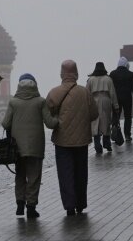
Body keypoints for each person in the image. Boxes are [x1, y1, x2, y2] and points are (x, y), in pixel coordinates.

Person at [2, 73, 58, 219]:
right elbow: (50, 123)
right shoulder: (40, 101)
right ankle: (31, 207)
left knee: (20, 174)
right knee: (34, 176)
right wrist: (59, 119)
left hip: (17, 147)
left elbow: (5, 124)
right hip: (35, 146)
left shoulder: (13, 102)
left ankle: (20, 204)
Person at [46, 60, 98, 216]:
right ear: (76, 73)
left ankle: (69, 205)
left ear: (62, 73)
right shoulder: (85, 92)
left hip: (62, 142)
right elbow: (94, 114)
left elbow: (47, 117)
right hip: (82, 140)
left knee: (65, 174)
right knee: (81, 173)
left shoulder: (54, 93)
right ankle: (81, 204)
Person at [86, 62, 119, 154]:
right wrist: (116, 106)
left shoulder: (90, 80)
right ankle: (106, 143)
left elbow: (87, 93)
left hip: (94, 100)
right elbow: (112, 93)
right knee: (106, 121)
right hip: (106, 100)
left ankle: (97, 145)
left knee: (95, 122)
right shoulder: (108, 79)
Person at [109, 57, 133, 142]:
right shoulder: (130, 74)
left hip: (116, 99)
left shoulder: (112, 74)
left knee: (116, 116)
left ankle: (115, 133)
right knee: (127, 116)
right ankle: (127, 135)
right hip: (127, 98)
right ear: (126, 64)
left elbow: (109, 87)